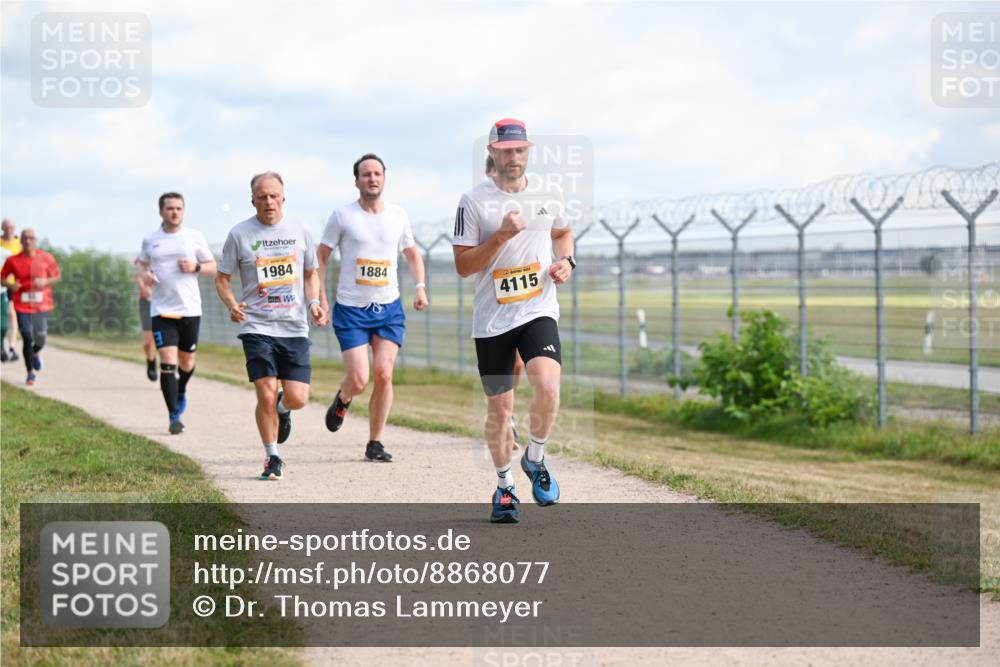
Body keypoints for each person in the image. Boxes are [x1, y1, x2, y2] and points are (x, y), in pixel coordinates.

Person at [453, 118, 576, 523]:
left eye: (520, 150)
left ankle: (535, 457)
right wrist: (502, 236)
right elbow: (463, 266)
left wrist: (565, 261)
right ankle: (504, 487)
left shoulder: (549, 194)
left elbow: (563, 232)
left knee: (548, 386)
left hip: (537, 308)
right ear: (492, 151)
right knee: (500, 413)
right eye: (506, 151)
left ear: (529, 151)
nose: (513, 157)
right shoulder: (473, 202)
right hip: (492, 321)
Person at [216, 171, 327, 481]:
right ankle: (272, 457)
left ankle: (284, 407)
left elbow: (311, 273)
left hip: (293, 327)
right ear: (252, 200)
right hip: (256, 326)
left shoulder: (301, 230)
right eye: (262, 196)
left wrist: (314, 302)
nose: (268, 201)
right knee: (264, 393)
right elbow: (222, 278)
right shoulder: (239, 234)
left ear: (283, 198)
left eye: (273, 195)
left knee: (298, 398)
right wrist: (232, 304)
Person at [318, 154, 428, 462]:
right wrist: (321, 298)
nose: (372, 178)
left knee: (384, 374)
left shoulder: (398, 215)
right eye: (365, 174)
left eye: (377, 173)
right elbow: (322, 257)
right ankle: (343, 399)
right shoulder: (342, 216)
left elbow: (412, 253)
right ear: (356, 181)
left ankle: (375, 442)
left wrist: (420, 287)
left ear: (384, 177)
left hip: (388, 307)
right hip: (351, 308)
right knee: (358, 378)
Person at [136, 193, 216, 433]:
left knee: (187, 362)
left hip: (190, 308)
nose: (175, 212)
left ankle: (181, 390)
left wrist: (196, 267)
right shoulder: (151, 239)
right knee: (168, 362)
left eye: (179, 208)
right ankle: (173, 417)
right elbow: (140, 265)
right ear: (161, 211)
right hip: (162, 309)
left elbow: (212, 267)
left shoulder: (194, 237)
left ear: (183, 211)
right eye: (170, 208)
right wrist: (145, 275)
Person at [1, 228, 62, 385]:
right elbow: (2, 278)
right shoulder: (12, 260)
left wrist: (44, 282)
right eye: (25, 238)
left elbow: (57, 276)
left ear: (35, 240)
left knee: (40, 338)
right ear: (20, 241)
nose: (28, 241)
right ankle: (30, 373)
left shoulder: (46, 258)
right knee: (27, 336)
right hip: (22, 305)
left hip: (42, 304)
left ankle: (35, 354)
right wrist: (10, 284)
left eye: (31, 238)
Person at [1, 218, 21, 362]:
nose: (8, 230)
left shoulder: (19, 244)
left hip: (12, 284)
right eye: (6, 227)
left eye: (11, 228)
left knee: (11, 314)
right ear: (2, 228)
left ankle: (12, 347)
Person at [134, 258, 157, 382]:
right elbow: (137, 276)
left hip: (165, 301)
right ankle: (151, 360)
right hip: (146, 301)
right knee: (149, 341)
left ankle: (167, 371)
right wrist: (144, 288)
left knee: (166, 339)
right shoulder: (142, 258)